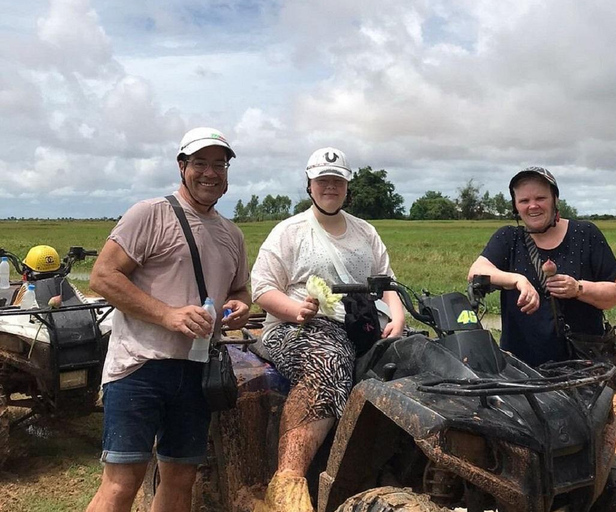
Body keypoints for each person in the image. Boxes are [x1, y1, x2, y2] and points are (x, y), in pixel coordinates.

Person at [86, 127, 251, 512]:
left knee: (180, 480)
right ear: (181, 167)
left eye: (219, 165)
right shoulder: (149, 214)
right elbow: (103, 277)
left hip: (196, 372)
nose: (210, 173)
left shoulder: (232, 234)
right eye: (200, 163)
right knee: (123, 481)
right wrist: (168, 315)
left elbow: (240, 290)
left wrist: (239, 306)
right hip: (139, 367)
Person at [251, 147, 405, 512]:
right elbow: (262, 288)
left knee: (416, 358)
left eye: (337, 181)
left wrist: (397, 319)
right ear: (310, 185)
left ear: (347, 187)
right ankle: (288, 485)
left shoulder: (365, 232)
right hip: (297, 329)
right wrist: (296, 310)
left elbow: (388, 285)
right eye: (323, 181)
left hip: (363, 327)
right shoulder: (290, 232)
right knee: (329, 359)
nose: (330, 187)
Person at [468, 166, 616, 367]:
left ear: (555, 200)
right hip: (521, 368)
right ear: (515, 206)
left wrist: (578, 289)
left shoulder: (585, 234)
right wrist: (518, 280)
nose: (533, 206)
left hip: (583, 366)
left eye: (540, 198)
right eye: (524, 201)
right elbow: (476, 273)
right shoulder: (509, 238)